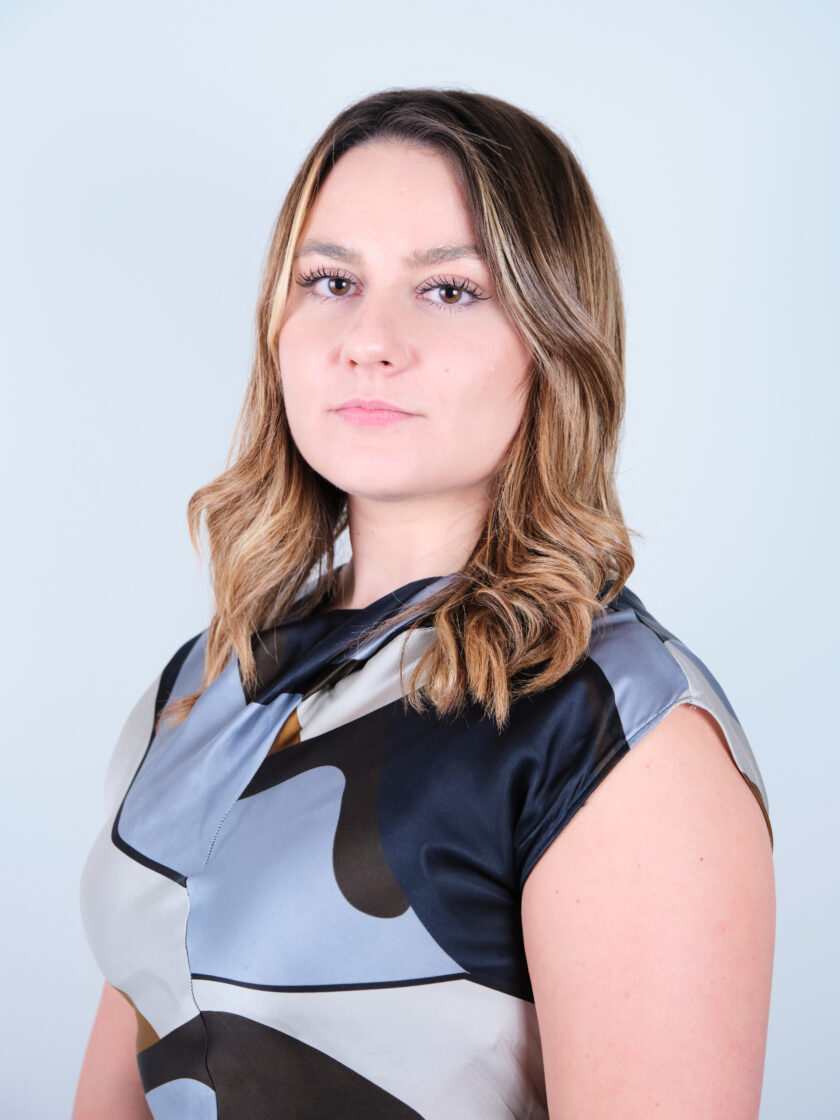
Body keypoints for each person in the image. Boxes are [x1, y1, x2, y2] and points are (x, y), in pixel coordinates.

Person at [73, 88, 775, 1120]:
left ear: (552, 336)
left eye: (448, 290)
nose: (370, 339)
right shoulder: (207, 679)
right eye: (331, 280)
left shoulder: (619, 732)